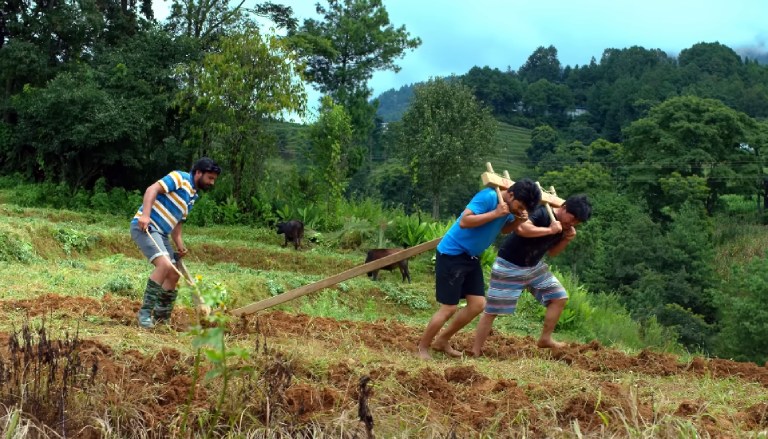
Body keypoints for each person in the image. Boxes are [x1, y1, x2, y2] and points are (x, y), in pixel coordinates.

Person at [417, 179, 542, 360]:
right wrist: (495, 213)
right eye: (520, 206)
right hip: (453, 253)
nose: (521, 211)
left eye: (525, 210)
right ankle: (422, 347)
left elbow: (504, 229)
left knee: (478, 304)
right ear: (512, 194)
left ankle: (442, 340)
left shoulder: (509, 208)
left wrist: (516, 221)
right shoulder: (489, 197)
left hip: (471, 256)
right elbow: (465, 221)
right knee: (449, 308)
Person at [471, 194, 592, 356]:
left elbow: (553, 252)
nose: (573, 223)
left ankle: (545, 339)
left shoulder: (563, 226)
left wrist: (566, 239)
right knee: (492, 310)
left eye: (577, 222)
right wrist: (550, 229)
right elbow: (521, 229)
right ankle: (475, 350)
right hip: (509, 265)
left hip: (533, 267)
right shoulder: (543, 213)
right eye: (573, 217)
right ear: (563, 208)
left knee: (559, 297)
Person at [130, 157, 221, 328]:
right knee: (164, 266)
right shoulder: (180, 178)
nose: (212, 182)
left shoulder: (193, 196)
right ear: (198, 173)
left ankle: (161, 319)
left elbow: (177, 223)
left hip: (163, 233)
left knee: (173, 274)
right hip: (146, 227)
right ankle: (144, 314)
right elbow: (152, 189)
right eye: (210, 178)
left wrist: (179, 244)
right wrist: (145, 215)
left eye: (214, 179)